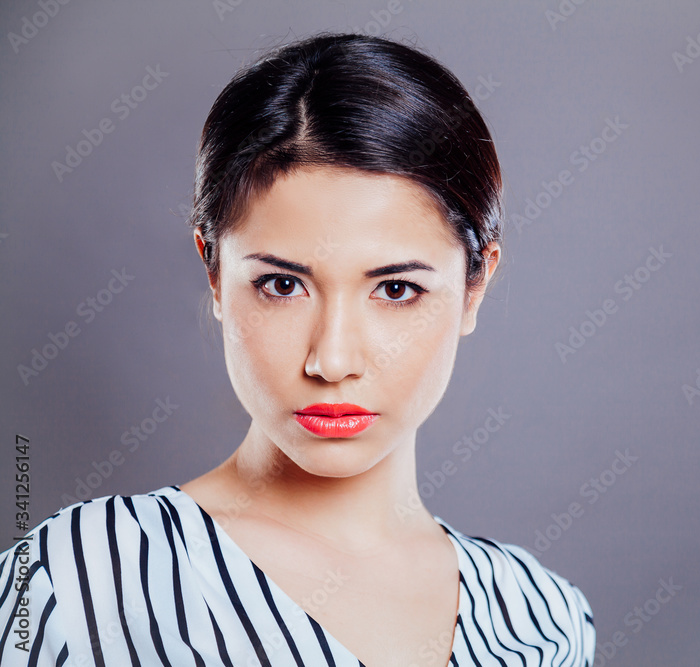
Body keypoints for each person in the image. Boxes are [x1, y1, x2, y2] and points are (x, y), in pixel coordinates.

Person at [0, 32, 596, 666]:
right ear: (214, 273)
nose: (332, 361)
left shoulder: (541, 617)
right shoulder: (76, 583)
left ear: (474, 286)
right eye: (282, 285)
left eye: (396, 289)